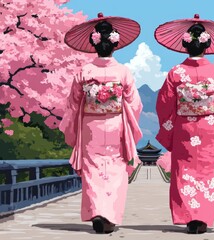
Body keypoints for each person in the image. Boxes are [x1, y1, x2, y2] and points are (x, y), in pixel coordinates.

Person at [155, 16, 214, 234]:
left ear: (185, 45)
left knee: (184, 171)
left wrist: (170, 129)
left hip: (184, 128)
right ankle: (201, 218)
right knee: (207, 172)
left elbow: (164, 105)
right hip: (210, 127)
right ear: (207, 44)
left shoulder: (175, 73)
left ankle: (189, 217)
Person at [60, 15, 142, 234]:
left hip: (90, 127)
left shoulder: (84, 72)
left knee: (93, 171)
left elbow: (73, 103)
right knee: (115, 170)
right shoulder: (123, 71)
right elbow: (135, 104)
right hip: (115, 125)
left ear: (93, 42)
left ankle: (97, 211)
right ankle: (109, 216)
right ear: (115, 44)